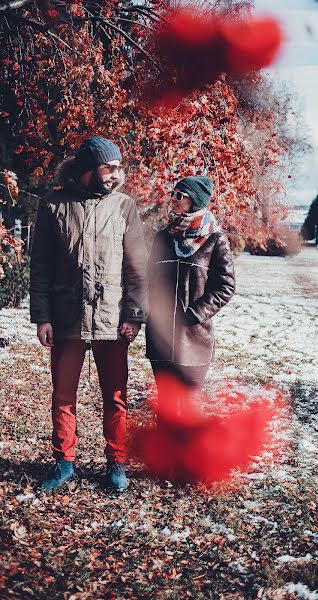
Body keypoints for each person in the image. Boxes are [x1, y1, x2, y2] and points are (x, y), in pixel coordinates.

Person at [30, 137, 148, 492]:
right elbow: (40, 266)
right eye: (108, 167)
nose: (116, 175)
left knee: (115, 396)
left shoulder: (124, 207)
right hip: (66, 318)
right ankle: (64, 462)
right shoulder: (53, 204)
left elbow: (137, 268)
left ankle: (116, 464)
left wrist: (134, 314)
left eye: (118, 168)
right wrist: (43, 317)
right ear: (88, 168)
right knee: (63, 394)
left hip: (113, 320)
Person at [145, 175, 235, 421]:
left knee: (189, 412)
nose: (172, 199)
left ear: (194, 201)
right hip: (160, 338)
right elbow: (149, 279)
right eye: (173, 193)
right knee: (164, 410)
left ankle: (187, 460)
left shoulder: (215, 240)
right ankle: (163, 460)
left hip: (194, 340)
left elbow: (226, 287)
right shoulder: (163, 237)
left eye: (179, 195)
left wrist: (194, 314)